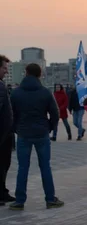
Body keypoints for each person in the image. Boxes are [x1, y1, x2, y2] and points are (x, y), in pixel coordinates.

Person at [9, 63, 64, 210]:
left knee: (22, 168)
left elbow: (11, 114)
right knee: (45, 166)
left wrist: (17, 129)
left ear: (26, 73)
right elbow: (55, 113)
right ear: (40, 74)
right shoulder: (45, 92)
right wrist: (50, 127)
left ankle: (20, 201)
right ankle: (50, 199)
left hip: (23, 134)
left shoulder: (16, 93)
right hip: (41, 134)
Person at [0, 54, 14, 205]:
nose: (6, 71)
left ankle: (3, 192)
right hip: (2, 135)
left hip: (5, 134)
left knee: (4, 165)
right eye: (4, 68)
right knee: (2, 165)